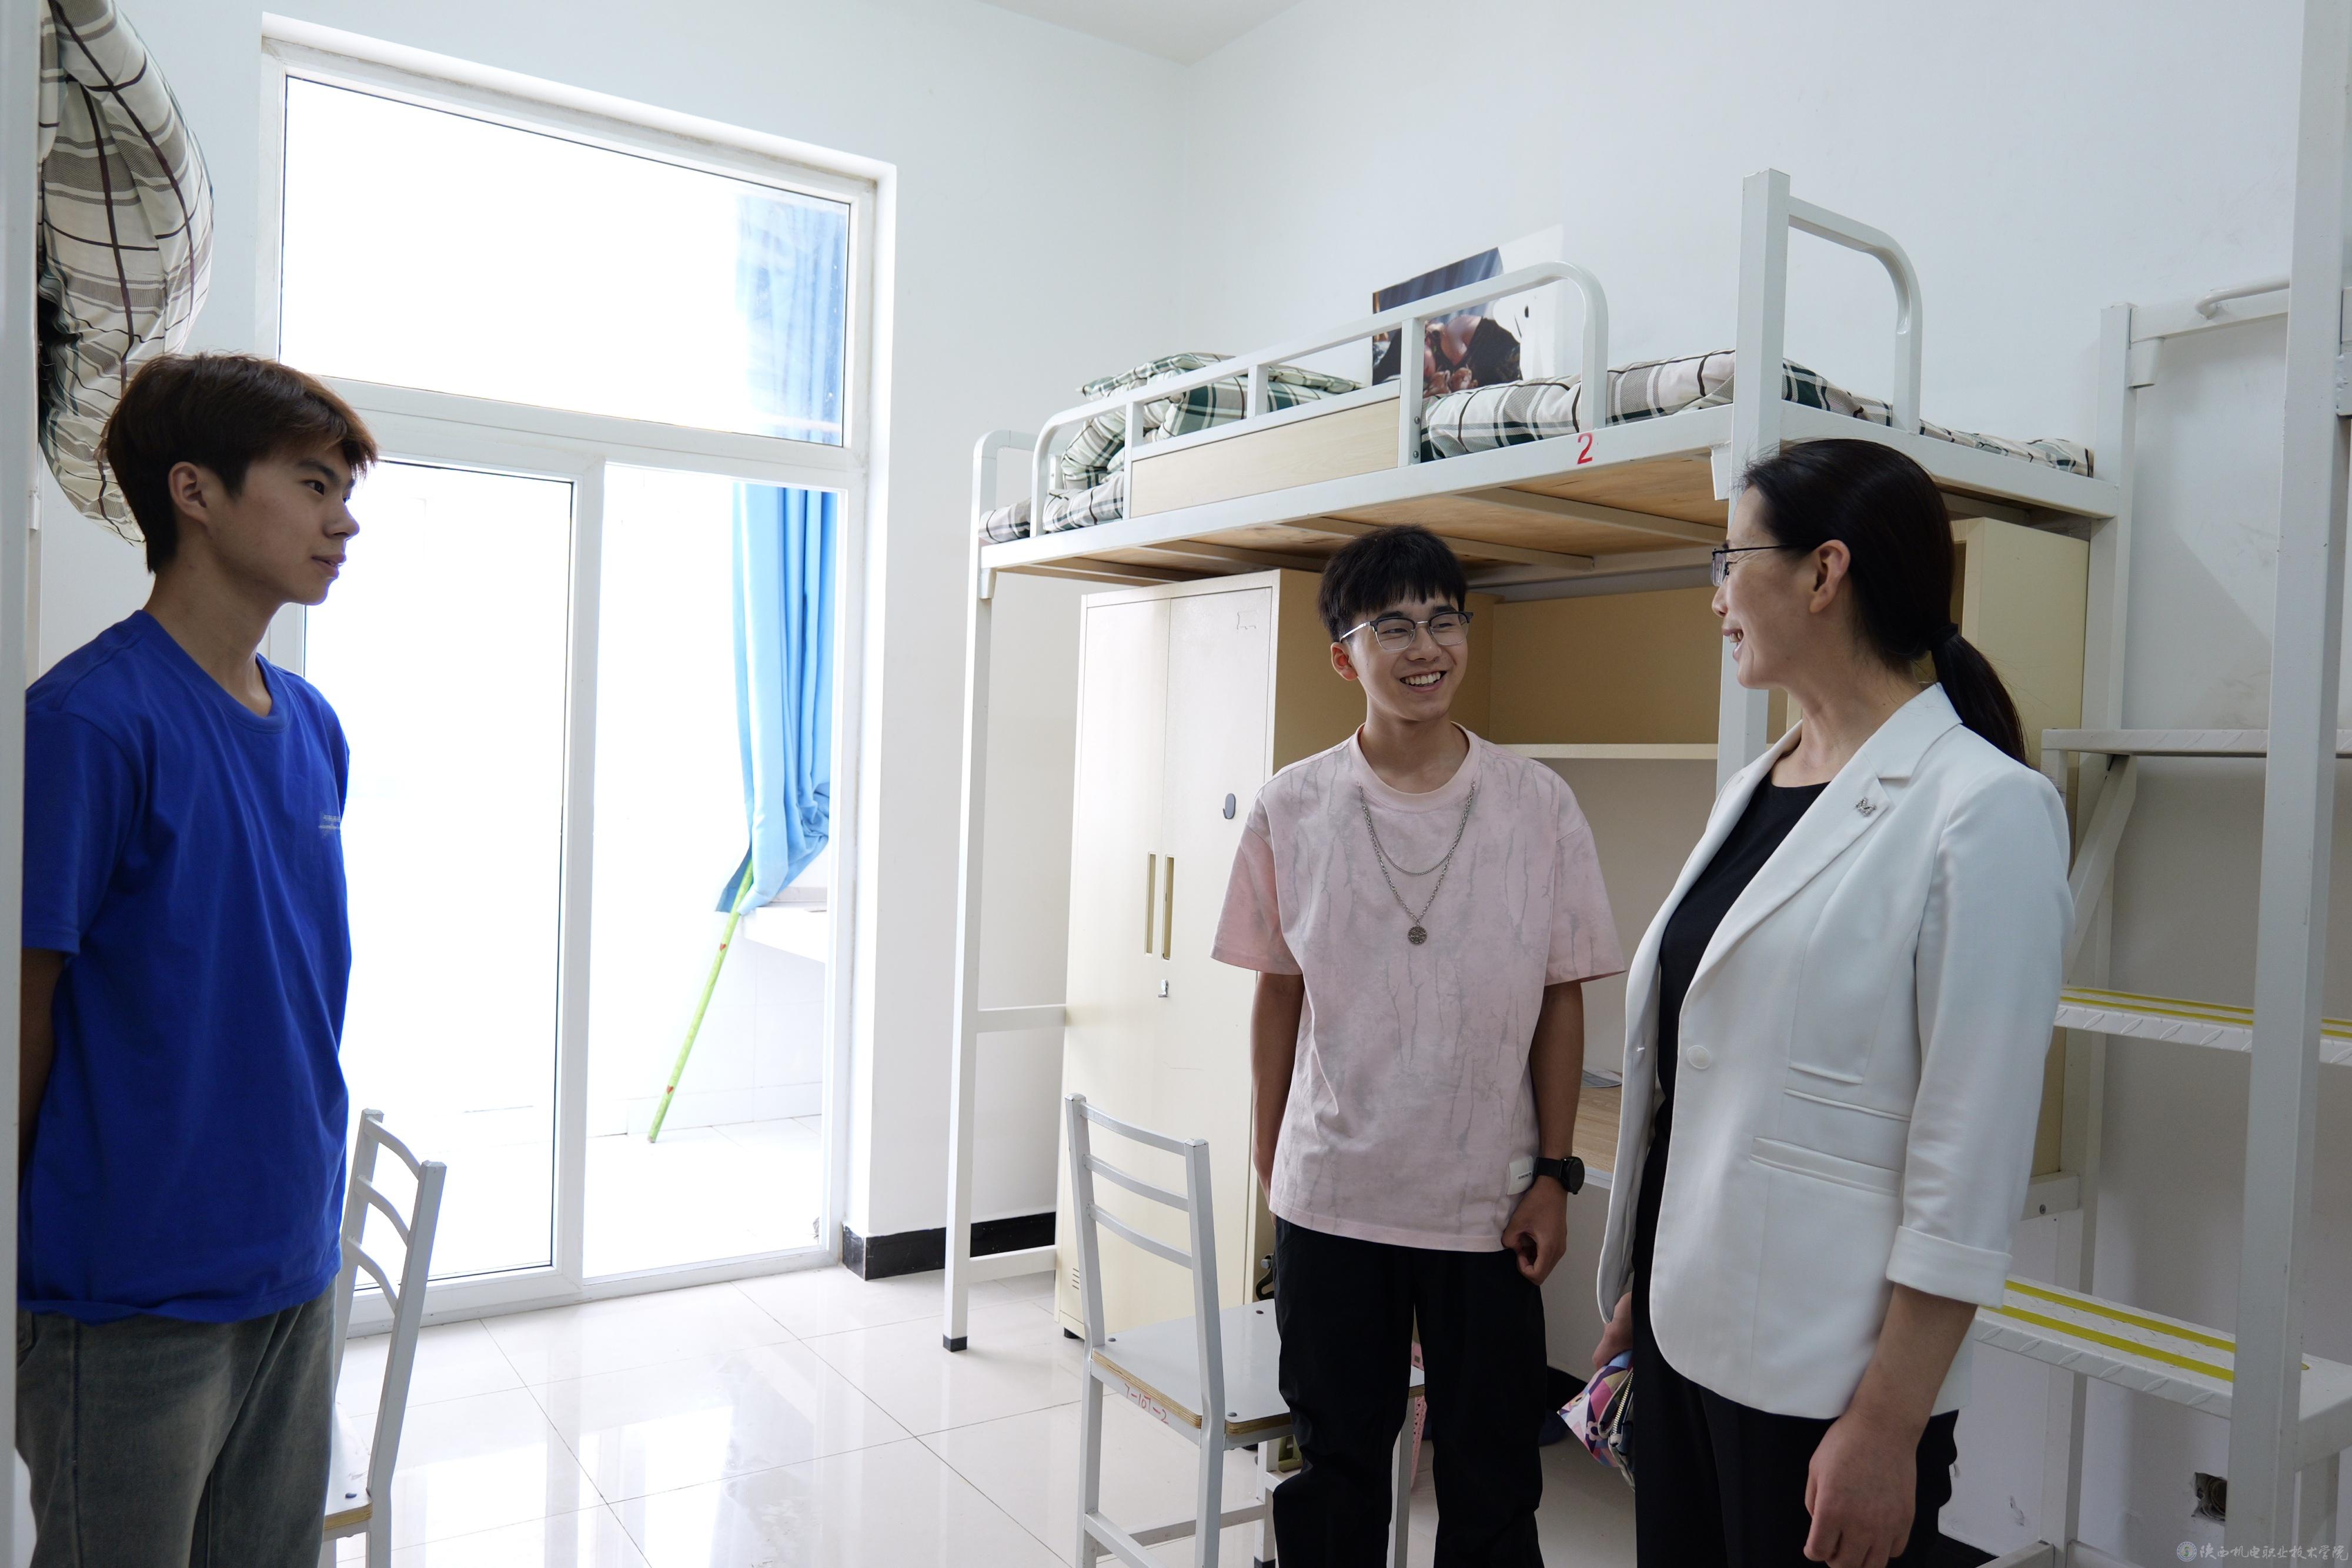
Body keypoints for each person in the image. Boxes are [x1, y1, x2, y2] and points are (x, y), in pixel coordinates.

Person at [1589, 439, 2072, 1567]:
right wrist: (1645, 1292)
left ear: (1824, 572)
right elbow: (1697, 1083)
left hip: (1824, 1380)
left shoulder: (1982, 809)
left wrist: (1889, 1425)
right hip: (1685, 1332)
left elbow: (1970, 1162)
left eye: (1732, 560)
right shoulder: (1757, 785)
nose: (1716, 596)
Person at [18, 353, 375, 1566]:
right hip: (129, 1290)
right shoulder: (85, 723)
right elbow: (25, 1013)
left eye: (345, 491)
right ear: (196, 492)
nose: (344, 520)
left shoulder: (313, 726)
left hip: (293, 1260)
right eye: (313, 483)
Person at [1214, 524, 1625, 1566]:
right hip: (1333, 1194)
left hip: (1487, 1205)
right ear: (1344, 657)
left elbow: (1561, 997)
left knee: (1494, 1476)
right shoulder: (1292, 805)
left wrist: (1555, 1176)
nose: (1426, 646)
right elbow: (1278, 992)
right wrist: (1271, 1157)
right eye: (1392, 626)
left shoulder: (1538, 803)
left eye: (1444, 620)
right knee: (1337, 1466)